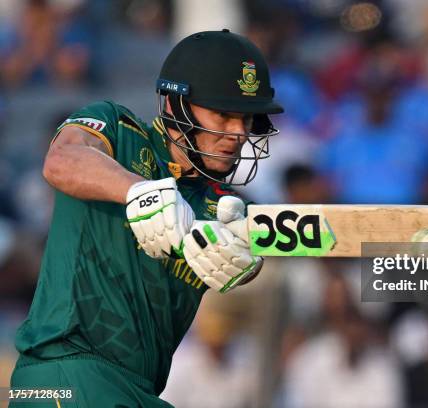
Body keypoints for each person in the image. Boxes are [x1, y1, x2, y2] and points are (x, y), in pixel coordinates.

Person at [9, 29, 283, 407]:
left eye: (247, 119)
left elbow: (270, 246)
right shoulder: (118, 131)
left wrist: (248, 263)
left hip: (139, 390)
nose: (237, 133)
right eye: (223, 114)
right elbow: (61, 160)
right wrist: (138, 190)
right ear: (175, 105)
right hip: (67, 373)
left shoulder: (224, 206)